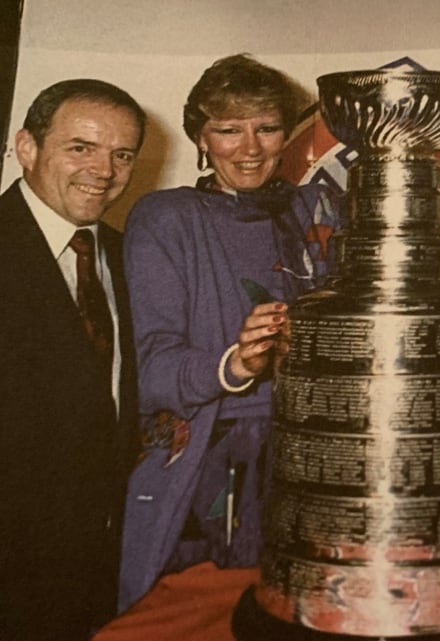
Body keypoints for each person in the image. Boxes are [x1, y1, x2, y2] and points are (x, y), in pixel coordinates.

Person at [118, 54, 338, 612]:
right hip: (211, 460)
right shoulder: (165, 218)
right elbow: (148, 370)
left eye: (267, 129)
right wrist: (233, 364)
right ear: (200, 135)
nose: (250, 148)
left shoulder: (317, 209)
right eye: (228, 130)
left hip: (315, 451)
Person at [0, 79, 145, 640]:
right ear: (27, 147)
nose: (103, 170)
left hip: (98, 569)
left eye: (121, 154)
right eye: (81, 148)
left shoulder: (126, 254)